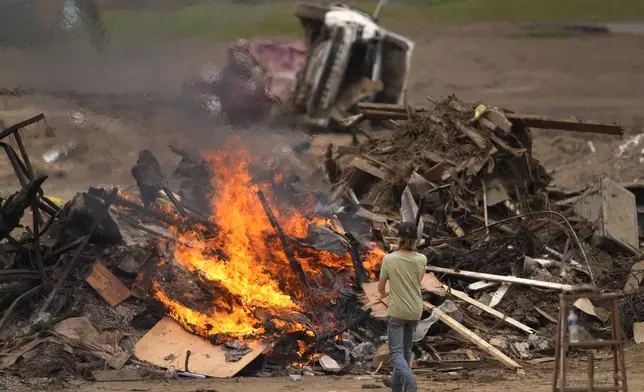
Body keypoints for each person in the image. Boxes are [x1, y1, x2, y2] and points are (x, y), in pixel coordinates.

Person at [377, 221, 427, 392]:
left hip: (397, 311)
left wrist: (384, 295)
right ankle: (397, 387)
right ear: (415, 240)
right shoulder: (422, 259)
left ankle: (410, 383)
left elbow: (380, 288)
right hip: (415, 311)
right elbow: (417, 282)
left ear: (398, 238)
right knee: (406, 352)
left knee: (396, 353)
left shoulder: (389, 259)